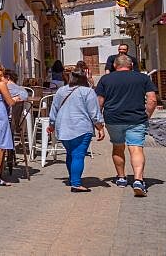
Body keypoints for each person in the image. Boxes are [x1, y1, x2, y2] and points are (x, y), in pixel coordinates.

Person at [96, 54, 157, 197]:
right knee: (136, 149)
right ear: (130, 66)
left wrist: (98, 122)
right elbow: (152, 99)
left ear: (115, 66)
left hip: (113, 119)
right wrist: (147, 115)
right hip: (136, 119)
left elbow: (99, 101)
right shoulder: (142, 78)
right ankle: (138, 180)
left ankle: (122, 178)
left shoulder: (106, 79)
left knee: (118, 147)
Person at [49, 69, 105, 192]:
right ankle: (76, 183)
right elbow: (94, 112)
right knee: (78, 155)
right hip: (81, 127)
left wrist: (51, 124)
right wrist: (100, 127)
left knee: (70, 154)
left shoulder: (61, 91)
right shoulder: (88, 92)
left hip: (62, 127)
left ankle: (72, 178)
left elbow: (54, 109)